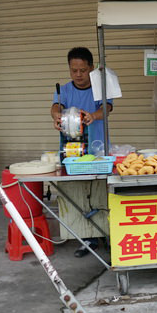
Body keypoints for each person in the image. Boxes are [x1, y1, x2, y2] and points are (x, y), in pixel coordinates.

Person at [50, 46, 112, 257]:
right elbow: (55, 107)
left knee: (99, 191)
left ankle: (106, 232)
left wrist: (93, 116)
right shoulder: (64, 90)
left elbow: (107, 108)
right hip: (72, 148)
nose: (78, 75)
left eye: (82, 70)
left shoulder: (100, 88)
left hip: (97, 146)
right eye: (74, 70)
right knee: (77, 192)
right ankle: (87, 237)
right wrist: (57, 116)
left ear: (91, 68)